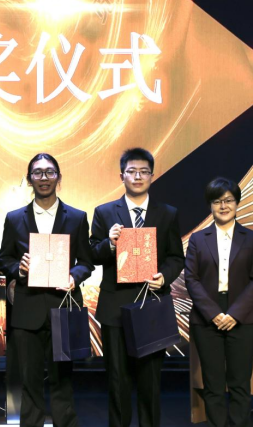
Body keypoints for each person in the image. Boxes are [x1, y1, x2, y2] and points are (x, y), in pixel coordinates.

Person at [89, 148, 184, 427]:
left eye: (144, 171)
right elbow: (92, 253)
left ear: (152, 176)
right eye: (132, 171)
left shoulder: (167, 214)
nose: (138, 176)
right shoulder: (105, 212)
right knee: (117, 379)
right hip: (115, 307)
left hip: (152, 305)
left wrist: (164, 277)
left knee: (150, 380)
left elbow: (176, 257)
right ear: (122, 176)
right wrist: (109, 244)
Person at [0, 153, 94, 427]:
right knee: (29, 382)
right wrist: (19, 269)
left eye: (50, 172)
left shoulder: (77, 217)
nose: (44, 178)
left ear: (58, 178)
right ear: (29, 179)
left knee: (63, 381)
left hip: (63, 307)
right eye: (38, 173)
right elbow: (4, 259)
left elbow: (86, 262)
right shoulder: (14, 218)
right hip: (27, 310)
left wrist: (74, 277)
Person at [184, 177, 253, 427]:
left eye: (228, 200)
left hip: (242, 316)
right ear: (210, 205)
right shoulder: (198, 239)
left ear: (237, 203)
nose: (223, 206)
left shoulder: (252, 238)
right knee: (213, 383)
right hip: (206, 317)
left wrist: (234, 314)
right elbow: (191, 279)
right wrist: (214, 314)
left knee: (240, 382)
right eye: (217, 201)